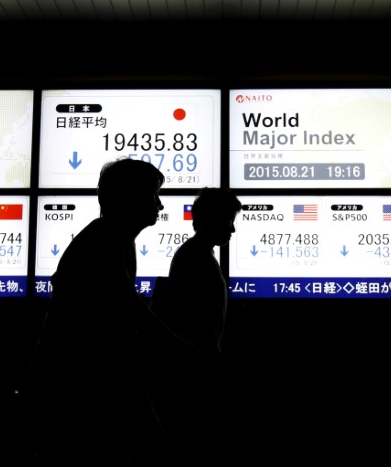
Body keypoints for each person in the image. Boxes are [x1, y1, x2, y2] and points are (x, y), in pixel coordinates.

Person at [27, 157, 191, 466]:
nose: (159, 205)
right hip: (86, 385)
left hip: (79, 382)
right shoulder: (109, 239)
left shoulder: (106, 236)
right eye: (153, 194)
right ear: (131, 196)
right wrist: (179, 347)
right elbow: (124, 304)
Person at [148, 187, 242, 465]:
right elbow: (200, 321)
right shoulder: (198, 259)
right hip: (195, 367)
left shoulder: (192, 254)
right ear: (212, 220)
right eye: (228, 221)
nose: (232, 230)